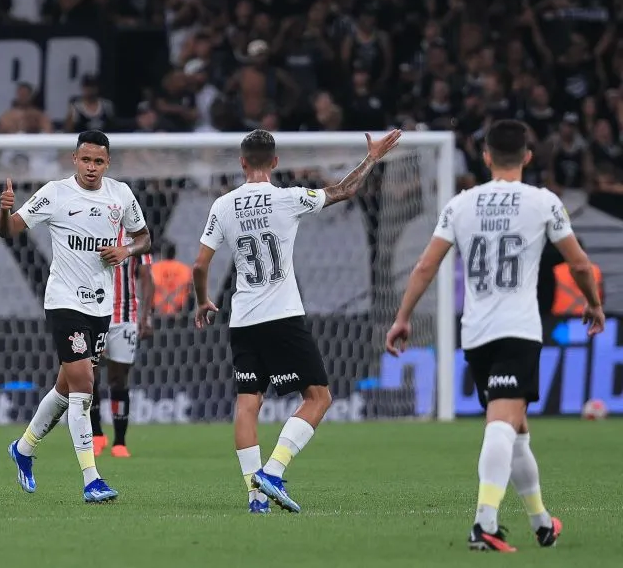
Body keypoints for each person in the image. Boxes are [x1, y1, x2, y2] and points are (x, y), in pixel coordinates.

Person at [385, 120, 604, 552]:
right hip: (518, 330)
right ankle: (484, 523)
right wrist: (593, 303)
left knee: (517, 428)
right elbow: (578, 264)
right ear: (527, 157)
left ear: (485, 156)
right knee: (503, 423)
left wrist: (403, 316)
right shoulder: (543, 202)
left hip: (476, 334)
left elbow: (425, 266)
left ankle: (542, 523)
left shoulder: (461, 204)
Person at [193, 128, 401, 514]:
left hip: (242, 319)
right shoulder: (289, 199)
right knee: (319, 397)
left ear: (242, 163)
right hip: (282, 316)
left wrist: (202, 300)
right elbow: (343, 190)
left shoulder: (222, 205)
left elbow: (200, 264)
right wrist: (372, 158)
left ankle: (255, 498)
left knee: (247, 403)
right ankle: (273, 471)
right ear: (274, 163)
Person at [0, 130, 151, 503]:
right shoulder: (55, 193)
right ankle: (91, 479)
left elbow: (145, 237)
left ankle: (25, 447)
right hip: (64, 302)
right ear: (74, 159)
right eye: (86, 160)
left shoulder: (121, 195)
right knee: (85, 385)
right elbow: (10, 231)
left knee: (66, 388)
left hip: (102, 306)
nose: (92, 168)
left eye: (99, 161)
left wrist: (125, 250)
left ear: (107, 162)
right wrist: (4, 209)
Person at [90, 231, 153, 458]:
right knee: (90, 377)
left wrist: (146, 317)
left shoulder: (136, 234)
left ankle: (119, 441)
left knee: (118, 379)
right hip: (93, 313)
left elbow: (146, 276)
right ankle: (96, 435)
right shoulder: (94, 226)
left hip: (125, 318)